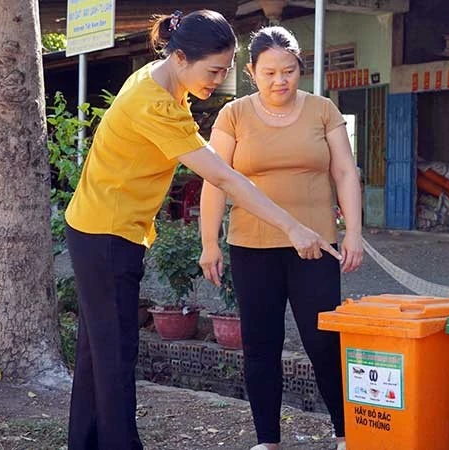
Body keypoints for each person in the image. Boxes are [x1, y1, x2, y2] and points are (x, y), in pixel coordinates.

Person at [63, 11, 340, 450]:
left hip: (103, 228)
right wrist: (292, 226)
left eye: (225, 70)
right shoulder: (154, 104)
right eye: (213, 71)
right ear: (179, 57)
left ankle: (84, 442)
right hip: (106, 234)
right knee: (115, 354)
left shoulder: (160, 85)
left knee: (98, 353)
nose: (218, 81)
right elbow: (225, 177)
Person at [198, 26, 363, 450]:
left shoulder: (323, 110)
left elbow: (345, 172)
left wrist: (354, 234)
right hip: (251, 247)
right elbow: (216, 179)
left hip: (316, 246)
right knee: (261, 345)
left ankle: (345, 434)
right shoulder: (233, 114)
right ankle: (267, 440)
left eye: (288, 71)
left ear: (300, 68)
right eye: (269, 72)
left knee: (324, 342)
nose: (280, 81)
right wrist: (209, 242)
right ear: (251, 71)